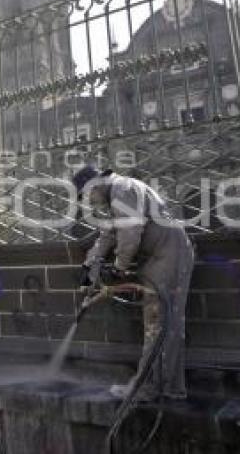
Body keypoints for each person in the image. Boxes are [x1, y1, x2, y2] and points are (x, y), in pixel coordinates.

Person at [72, 165, 195, 400]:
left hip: (168, 254)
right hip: (159, 256)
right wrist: (90, 265)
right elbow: (107, 235)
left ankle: (149, 388)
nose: (88, 200)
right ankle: (167, 387)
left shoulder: (122, 188)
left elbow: (129, 233)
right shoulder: (113, 196)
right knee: (163, 322)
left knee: (159, 322)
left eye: (87, 194)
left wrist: (119, 267)